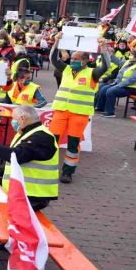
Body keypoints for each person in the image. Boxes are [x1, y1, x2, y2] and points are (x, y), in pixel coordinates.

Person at [0, 104, 59, 212]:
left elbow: (15, 156)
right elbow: (20, 161)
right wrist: (0, 171)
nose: (13, 122)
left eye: (14, 119)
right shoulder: (26, 133)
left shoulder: (42, 137)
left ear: (22, 118)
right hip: (20, 190)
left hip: (32, 194)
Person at [49, 35, 108, 183]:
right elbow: (53, 60)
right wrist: (57, 42)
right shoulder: (67, 69)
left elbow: (105, 66)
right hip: (61, 111)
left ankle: (68, 172)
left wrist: (103, 48)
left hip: (79, 114)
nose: (73, 61)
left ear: (86, 60)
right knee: (52, 141)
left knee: (73, 145)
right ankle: (48, 167)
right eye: (73, 58)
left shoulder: (92, 73)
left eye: (77, 59)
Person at [96, 48, 136, 117]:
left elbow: (132, 79)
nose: (130, 56)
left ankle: (109, 112)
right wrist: (110, 55)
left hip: (134, 88)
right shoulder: (128, 62)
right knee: (104, 88)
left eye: (132, 55)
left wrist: (119, 85)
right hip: (124, 85)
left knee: (111, 91)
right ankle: (100, 108)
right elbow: (118, 61)